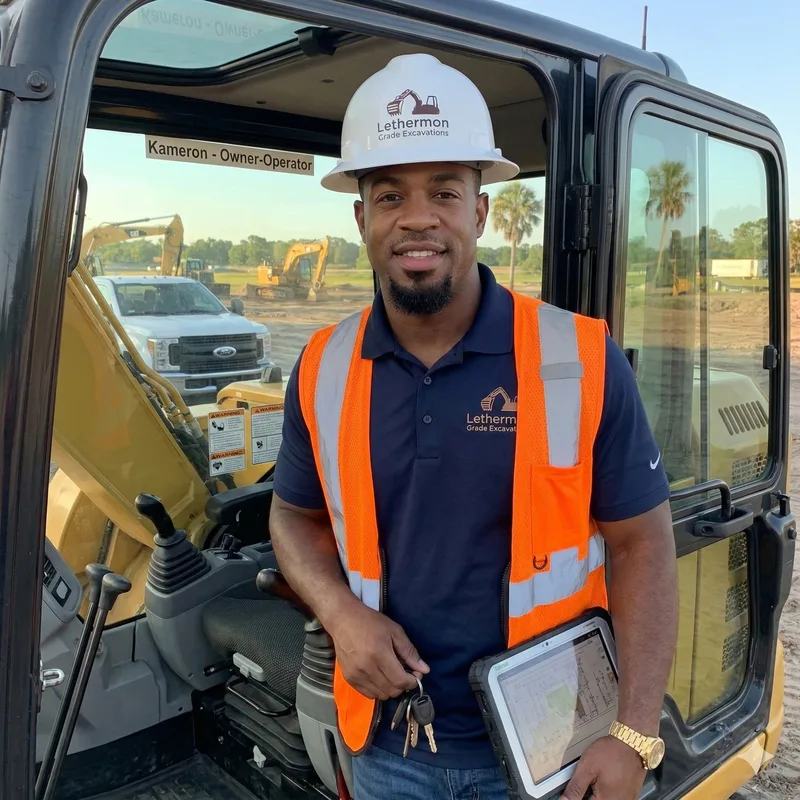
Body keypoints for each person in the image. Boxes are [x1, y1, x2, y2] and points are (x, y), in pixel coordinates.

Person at [269, 52, 679, 800]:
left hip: (554, 749)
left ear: (481, 212)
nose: (417, 218)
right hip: (389, 746)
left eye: (444, 192)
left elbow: (642, 544)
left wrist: (633, 733)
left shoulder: (580, 358)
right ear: (361, 219)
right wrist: (340, 614)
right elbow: (293, 518)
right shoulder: (324, 368)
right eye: (390, 195)